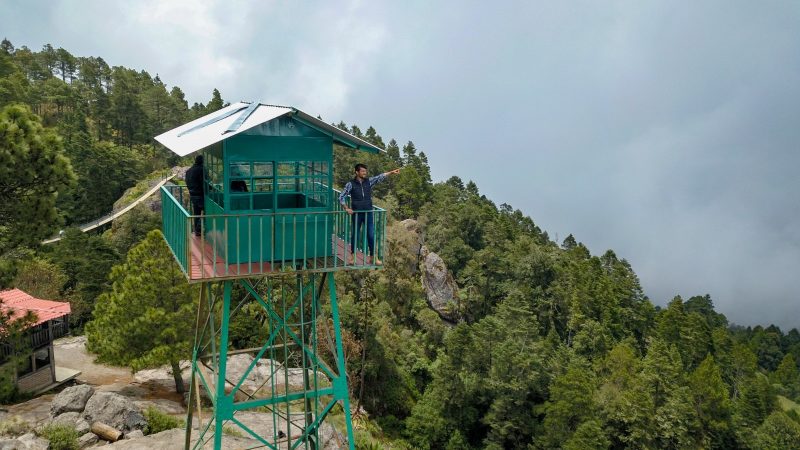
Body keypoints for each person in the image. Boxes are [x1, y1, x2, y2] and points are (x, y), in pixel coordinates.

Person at [339, 164, 400, 265]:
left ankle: (373, 258)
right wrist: (346, 208)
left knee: (371, 235)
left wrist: (391, 172)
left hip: (368, 213)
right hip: (357, 214)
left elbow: (379, 177)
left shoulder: (368, 181)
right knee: (355, 235)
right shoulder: (350, 184)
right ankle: (352, 258)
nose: (365, 173)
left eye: (365, 171)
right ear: (357, 172)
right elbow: (341, 197)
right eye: (363, 171)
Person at [185, 155, 205, 237]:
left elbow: (187, 181)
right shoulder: (201, 169)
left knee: (197, 213)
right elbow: (203, 182)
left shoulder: (189, 170)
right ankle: (198, 229)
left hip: (192, 194)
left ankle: (197, 231)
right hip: (200, 194)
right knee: (207, 212)